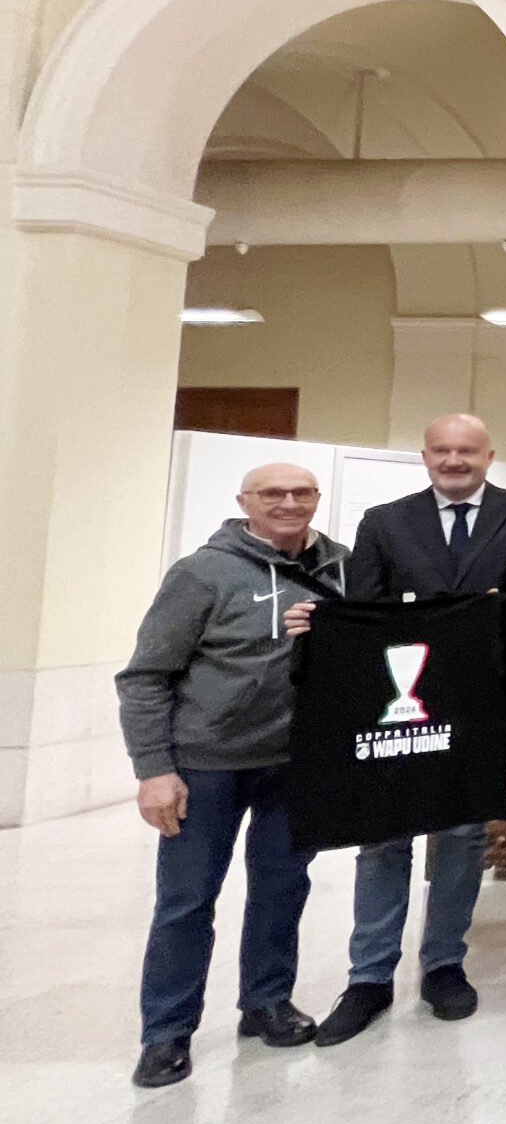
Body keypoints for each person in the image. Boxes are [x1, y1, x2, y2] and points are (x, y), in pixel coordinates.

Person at [318, 412, 506, 1045]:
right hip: (403, 698)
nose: (455, 461)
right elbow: (363, 610)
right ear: (425, 456)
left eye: (467, 451)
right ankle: (368, 977)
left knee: (460, 834)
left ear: (489, 455)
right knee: (384, 837)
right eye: (443, 451)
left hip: (481, 700)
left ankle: (444, 964)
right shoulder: (385, 521)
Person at [117, 464, 349, 1088]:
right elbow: (145, 676)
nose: (289, 503)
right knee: (187, 901)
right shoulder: (201, 573)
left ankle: (267, 1002)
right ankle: (166, 1033)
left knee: (282, 890)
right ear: (244, 501)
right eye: (273, 493)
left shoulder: (343, 569)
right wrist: (155, 770)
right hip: (206, 765)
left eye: (303, 493)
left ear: (317, 500)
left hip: (295, 764)